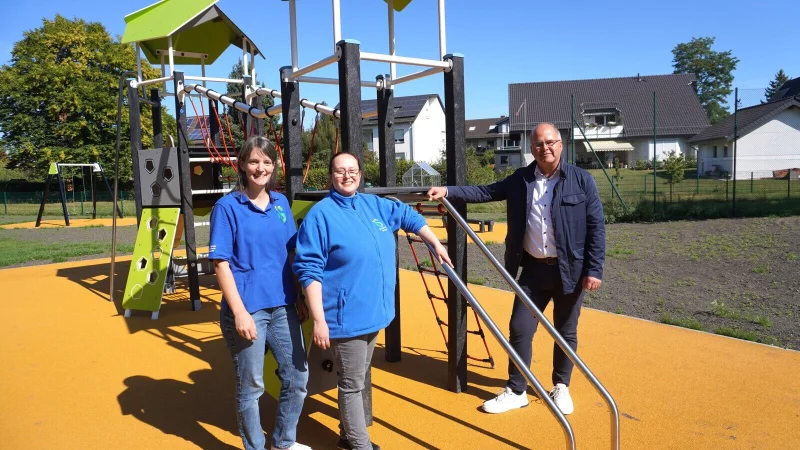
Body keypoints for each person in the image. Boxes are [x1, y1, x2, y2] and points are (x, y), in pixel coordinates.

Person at [427, 123, 605, 415]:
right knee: (519, 328)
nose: (544, 148)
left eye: (550, 142)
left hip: (569, 270)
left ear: (561, 145)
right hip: (534, 270)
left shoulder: (581, 180)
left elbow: (596, 227)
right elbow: (486, 191)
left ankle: (561, 386)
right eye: (537, 144)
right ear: (531, 148)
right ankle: (516, 390)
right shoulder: (521, 179)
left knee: (565, 330)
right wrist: (449, 190)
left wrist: (594, 270)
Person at [293, 152, 450, 450]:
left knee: (359, 377)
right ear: (331, 176)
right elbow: (308, 269)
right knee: (352, 385)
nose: (347, 175)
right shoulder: (321, 215)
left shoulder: (372, 204)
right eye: (340, 171)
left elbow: (408, 216)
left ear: (361, 174)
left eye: (352, 170)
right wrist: (320, 320)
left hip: (374, 312)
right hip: (346, 316)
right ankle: (358, 444)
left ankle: (347, 435)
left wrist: (434, 243)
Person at [209, 136, 311, 450]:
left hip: (283, 305)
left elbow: (290, 254)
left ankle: (282, 441)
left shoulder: (281, 204)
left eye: (267, 162)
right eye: (254, 161)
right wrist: (239, 312)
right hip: (248, 307)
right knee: (251, 386)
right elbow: (221, 263)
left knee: (297, 379)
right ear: (241, 165)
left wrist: (299, 294)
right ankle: (254, 446)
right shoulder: (227, 207)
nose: (260, 168)